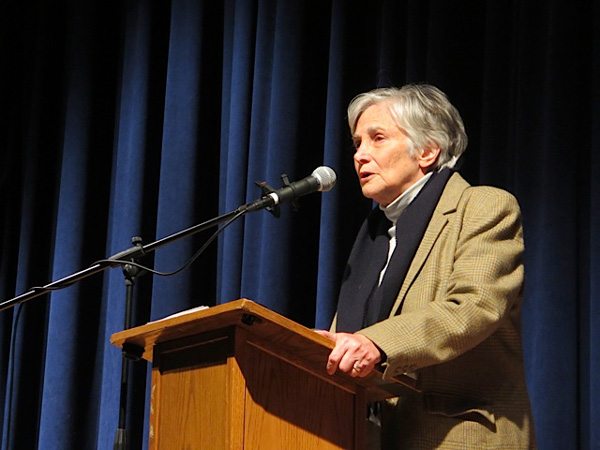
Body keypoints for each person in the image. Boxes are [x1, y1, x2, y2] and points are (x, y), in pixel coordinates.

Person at [315, 84, 536, 449]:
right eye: (357, 144)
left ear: (428, 151)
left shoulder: (482, 207)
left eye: (377, 139)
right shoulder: (374, 235)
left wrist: (376, 343)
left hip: (457, 436)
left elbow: (473, 306)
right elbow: (350, 341)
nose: (360, 155)